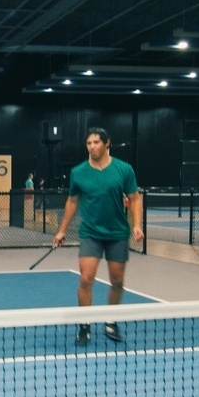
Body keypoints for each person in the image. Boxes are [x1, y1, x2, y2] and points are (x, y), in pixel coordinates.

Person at [52, 127, 144, 345]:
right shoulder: (79, 172)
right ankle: (84, 325)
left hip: (117, 233)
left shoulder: (124, 170)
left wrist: (137, 225)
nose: (92, 146)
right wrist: (62, 230)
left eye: (96, 142)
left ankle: (111, 320)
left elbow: (135, 198)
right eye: (89, 143)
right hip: (91, 233)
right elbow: (72, 201)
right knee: (85, 278)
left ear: (107, 143)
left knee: (118, 280)